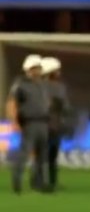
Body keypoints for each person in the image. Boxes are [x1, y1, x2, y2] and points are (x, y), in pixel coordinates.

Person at [6, 54, 51, 194]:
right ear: (28, 69)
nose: (38, 70)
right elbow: (12, 103)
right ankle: (17, 181)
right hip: (29, 123)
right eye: (35, 68)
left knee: (42, 156)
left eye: (39, 68)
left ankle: (38, 183)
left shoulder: (42, 84)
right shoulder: (20, 84)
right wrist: (14, 121)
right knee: (24, 154)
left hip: (43, 123)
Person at [41, 56, 70, 191]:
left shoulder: (35, 86)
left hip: (40, 125)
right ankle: (52, 182)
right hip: (54, 125)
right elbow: (66, 107)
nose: (59, 73)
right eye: (57, 70)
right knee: (52, 156)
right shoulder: (59, 87)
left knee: (42, 156)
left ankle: (41, 182)